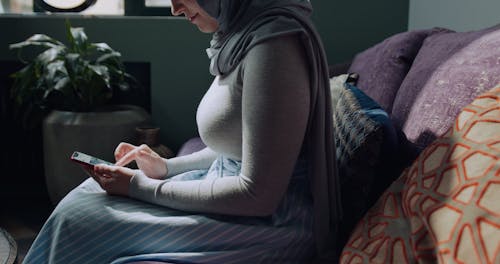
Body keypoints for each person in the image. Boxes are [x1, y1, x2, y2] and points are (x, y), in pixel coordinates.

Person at [23, 0, 342, 263]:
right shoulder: (242, 36)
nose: (174, 8)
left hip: (269, 223)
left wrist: (139, 186)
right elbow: (240, 146)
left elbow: (258, 195)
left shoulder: (274, 47)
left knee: (81, 220)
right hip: (233, 196)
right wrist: (166, 167)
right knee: (80, 205)